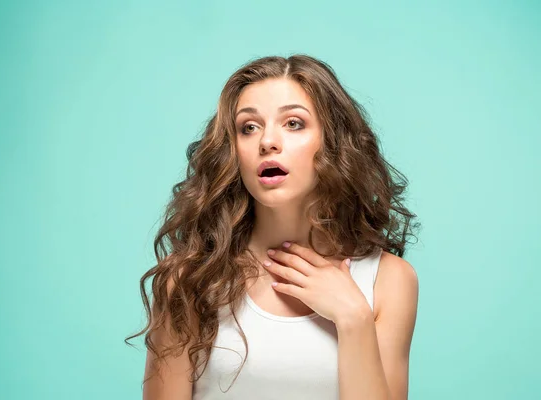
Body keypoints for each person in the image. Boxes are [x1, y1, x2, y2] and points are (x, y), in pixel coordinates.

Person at [125, 54, 420, 400]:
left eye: (293, 123)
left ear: (333, 141)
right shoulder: (191, 279)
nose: (267, 142)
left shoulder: (388, 280)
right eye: (248, 127)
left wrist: (353, 318)